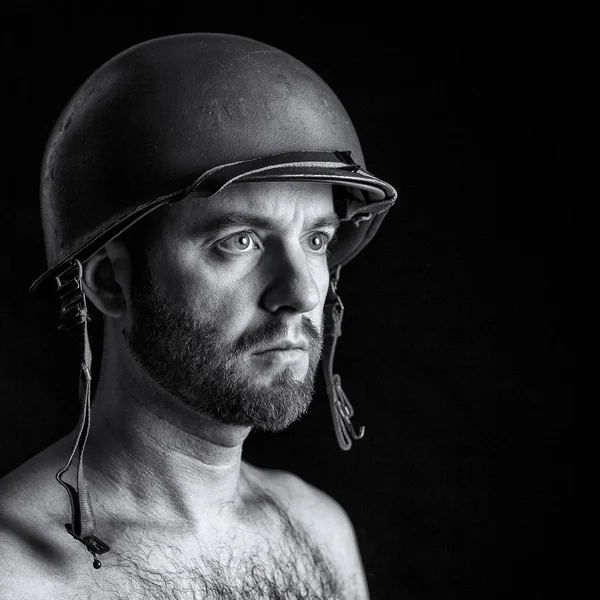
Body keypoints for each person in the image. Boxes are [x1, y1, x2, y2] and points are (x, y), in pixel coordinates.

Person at [0, 33, 396, 599]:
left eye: (315, 239)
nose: (302, 294)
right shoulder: (18, 576)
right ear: (113, 282)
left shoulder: (319, 530)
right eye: (239, 241)